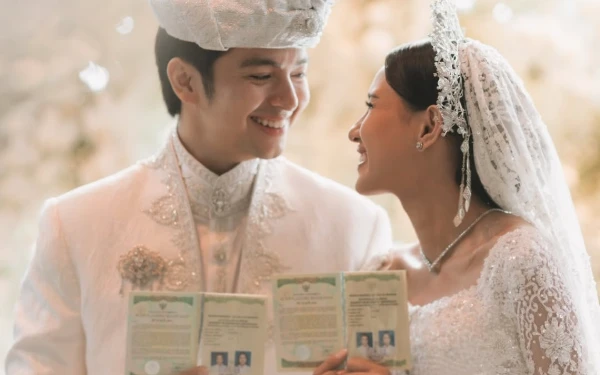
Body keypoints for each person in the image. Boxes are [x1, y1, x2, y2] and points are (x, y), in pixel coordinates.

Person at [5, 1, 393, 374]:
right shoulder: (76, 224)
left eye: (298, 74)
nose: (289, 100)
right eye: (261, 76)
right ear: (185, 81)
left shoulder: (355, 227)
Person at [314, 0, 600, 374]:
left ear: (429, 127)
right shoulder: (382, 273)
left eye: (371, 106)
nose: (355, 130)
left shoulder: (520, 260)